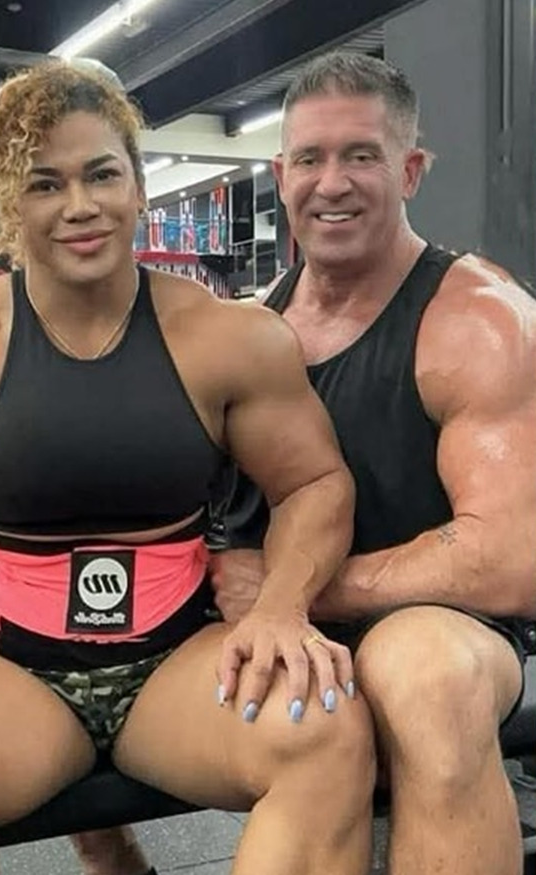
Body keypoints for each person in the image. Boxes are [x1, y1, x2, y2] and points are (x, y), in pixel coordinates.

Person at [0, 60, 375, 875]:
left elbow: (314, 482)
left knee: (324, 725)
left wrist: (280, 606)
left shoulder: (228, 337)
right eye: (45, 184)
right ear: (6, 205)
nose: (80, 206)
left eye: (101, 174)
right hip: (13, 666)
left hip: (182, 659)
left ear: (137, 185)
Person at [209, 50, 536, 875]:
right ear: (279, 175)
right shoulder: (250, 329)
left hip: (445, 616)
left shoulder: (480, 322)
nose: (333, 183)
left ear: (412, 169)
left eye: (362, 155)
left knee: (427, 677)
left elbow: (512, 562)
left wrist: (295, 591)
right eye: (311, 159)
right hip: (283, 619)